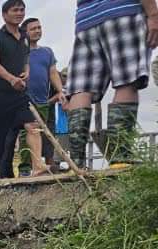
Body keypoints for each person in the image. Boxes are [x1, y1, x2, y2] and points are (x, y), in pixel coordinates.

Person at [65, 0, 157, 168]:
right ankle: (120, 157)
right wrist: (153, 14)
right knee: (127, 81)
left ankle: (76, 163)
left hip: (85, 20)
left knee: (81, 89)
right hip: (122, 11)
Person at [0, 0, 50, 178]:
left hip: (20, 95)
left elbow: (26, 58)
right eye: (15, 10)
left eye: (22, 10)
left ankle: (38, 166)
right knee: (5, 140)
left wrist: (26, 72)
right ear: (5, 14)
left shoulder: (24, 37)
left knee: (33, 125)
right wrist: (11, 78)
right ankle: (4, 175)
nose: (20, 13)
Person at [21, 17, 66, 173]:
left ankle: (38, 166)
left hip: (43, 101)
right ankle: (25, 167)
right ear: (25, 32)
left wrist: (60, 90)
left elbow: (53, 73)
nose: (37, 31)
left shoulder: (47, 52)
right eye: (33, 28)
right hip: (24, 99)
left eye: (39, 27)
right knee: (26, 132)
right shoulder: (20, 51)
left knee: (41, 134)